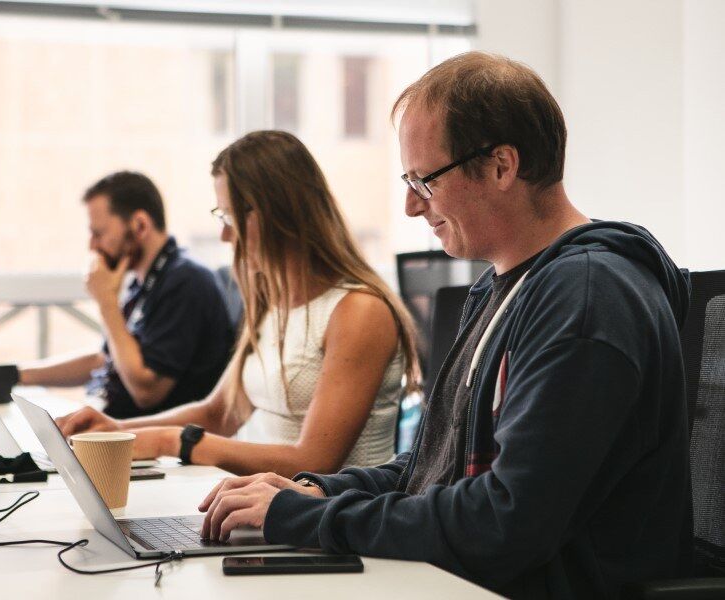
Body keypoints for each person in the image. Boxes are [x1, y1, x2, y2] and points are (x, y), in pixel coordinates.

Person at [198, 52, 693, 599]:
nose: (412, 206)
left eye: (424, 180)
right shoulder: (503, 286)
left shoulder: (585, 298)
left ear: (502, 166)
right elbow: (437, 463)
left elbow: (506, 522)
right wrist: (315, 492)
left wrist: (307, 519)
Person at [55, 131, 419, 477]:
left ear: (274, 214)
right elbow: (219, 412)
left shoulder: (359, 311)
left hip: (331, 524)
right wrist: (117, 431)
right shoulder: (272, 304)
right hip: (258, 503)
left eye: (229, 216)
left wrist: (172, 442)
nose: (225, 235)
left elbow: (315, 460)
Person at [18, 170, 235, 419]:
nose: (92, 246)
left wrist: (106, 302)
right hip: (109, 423)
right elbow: (107, 359)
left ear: (139, 225)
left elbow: (145, 391)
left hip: (148, 445)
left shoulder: (186, 282)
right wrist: (18, 375)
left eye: (99, 234)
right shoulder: (142, 283)